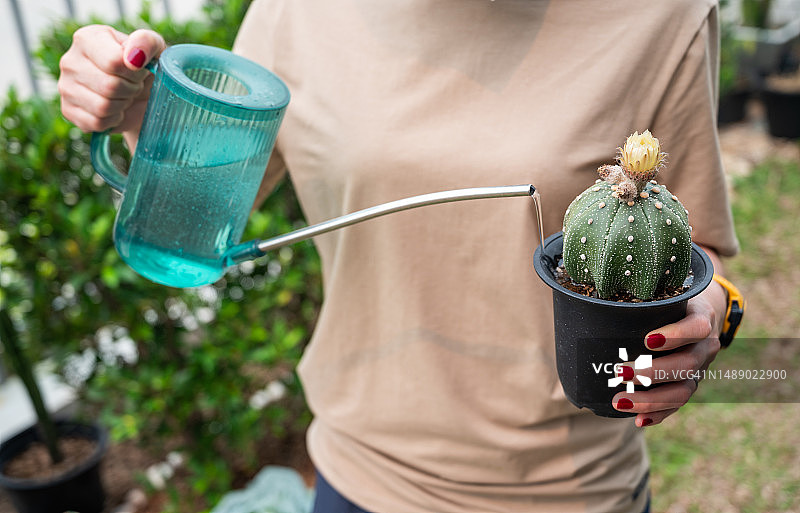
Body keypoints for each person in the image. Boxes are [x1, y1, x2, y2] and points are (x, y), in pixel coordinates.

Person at [58, 1, 739, 512]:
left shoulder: (663, 14)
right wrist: (140, 110)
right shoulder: (298, 11)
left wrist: (705, 321)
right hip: (360, 477)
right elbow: (196, 210)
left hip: (572, 491)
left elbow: (700, 251)